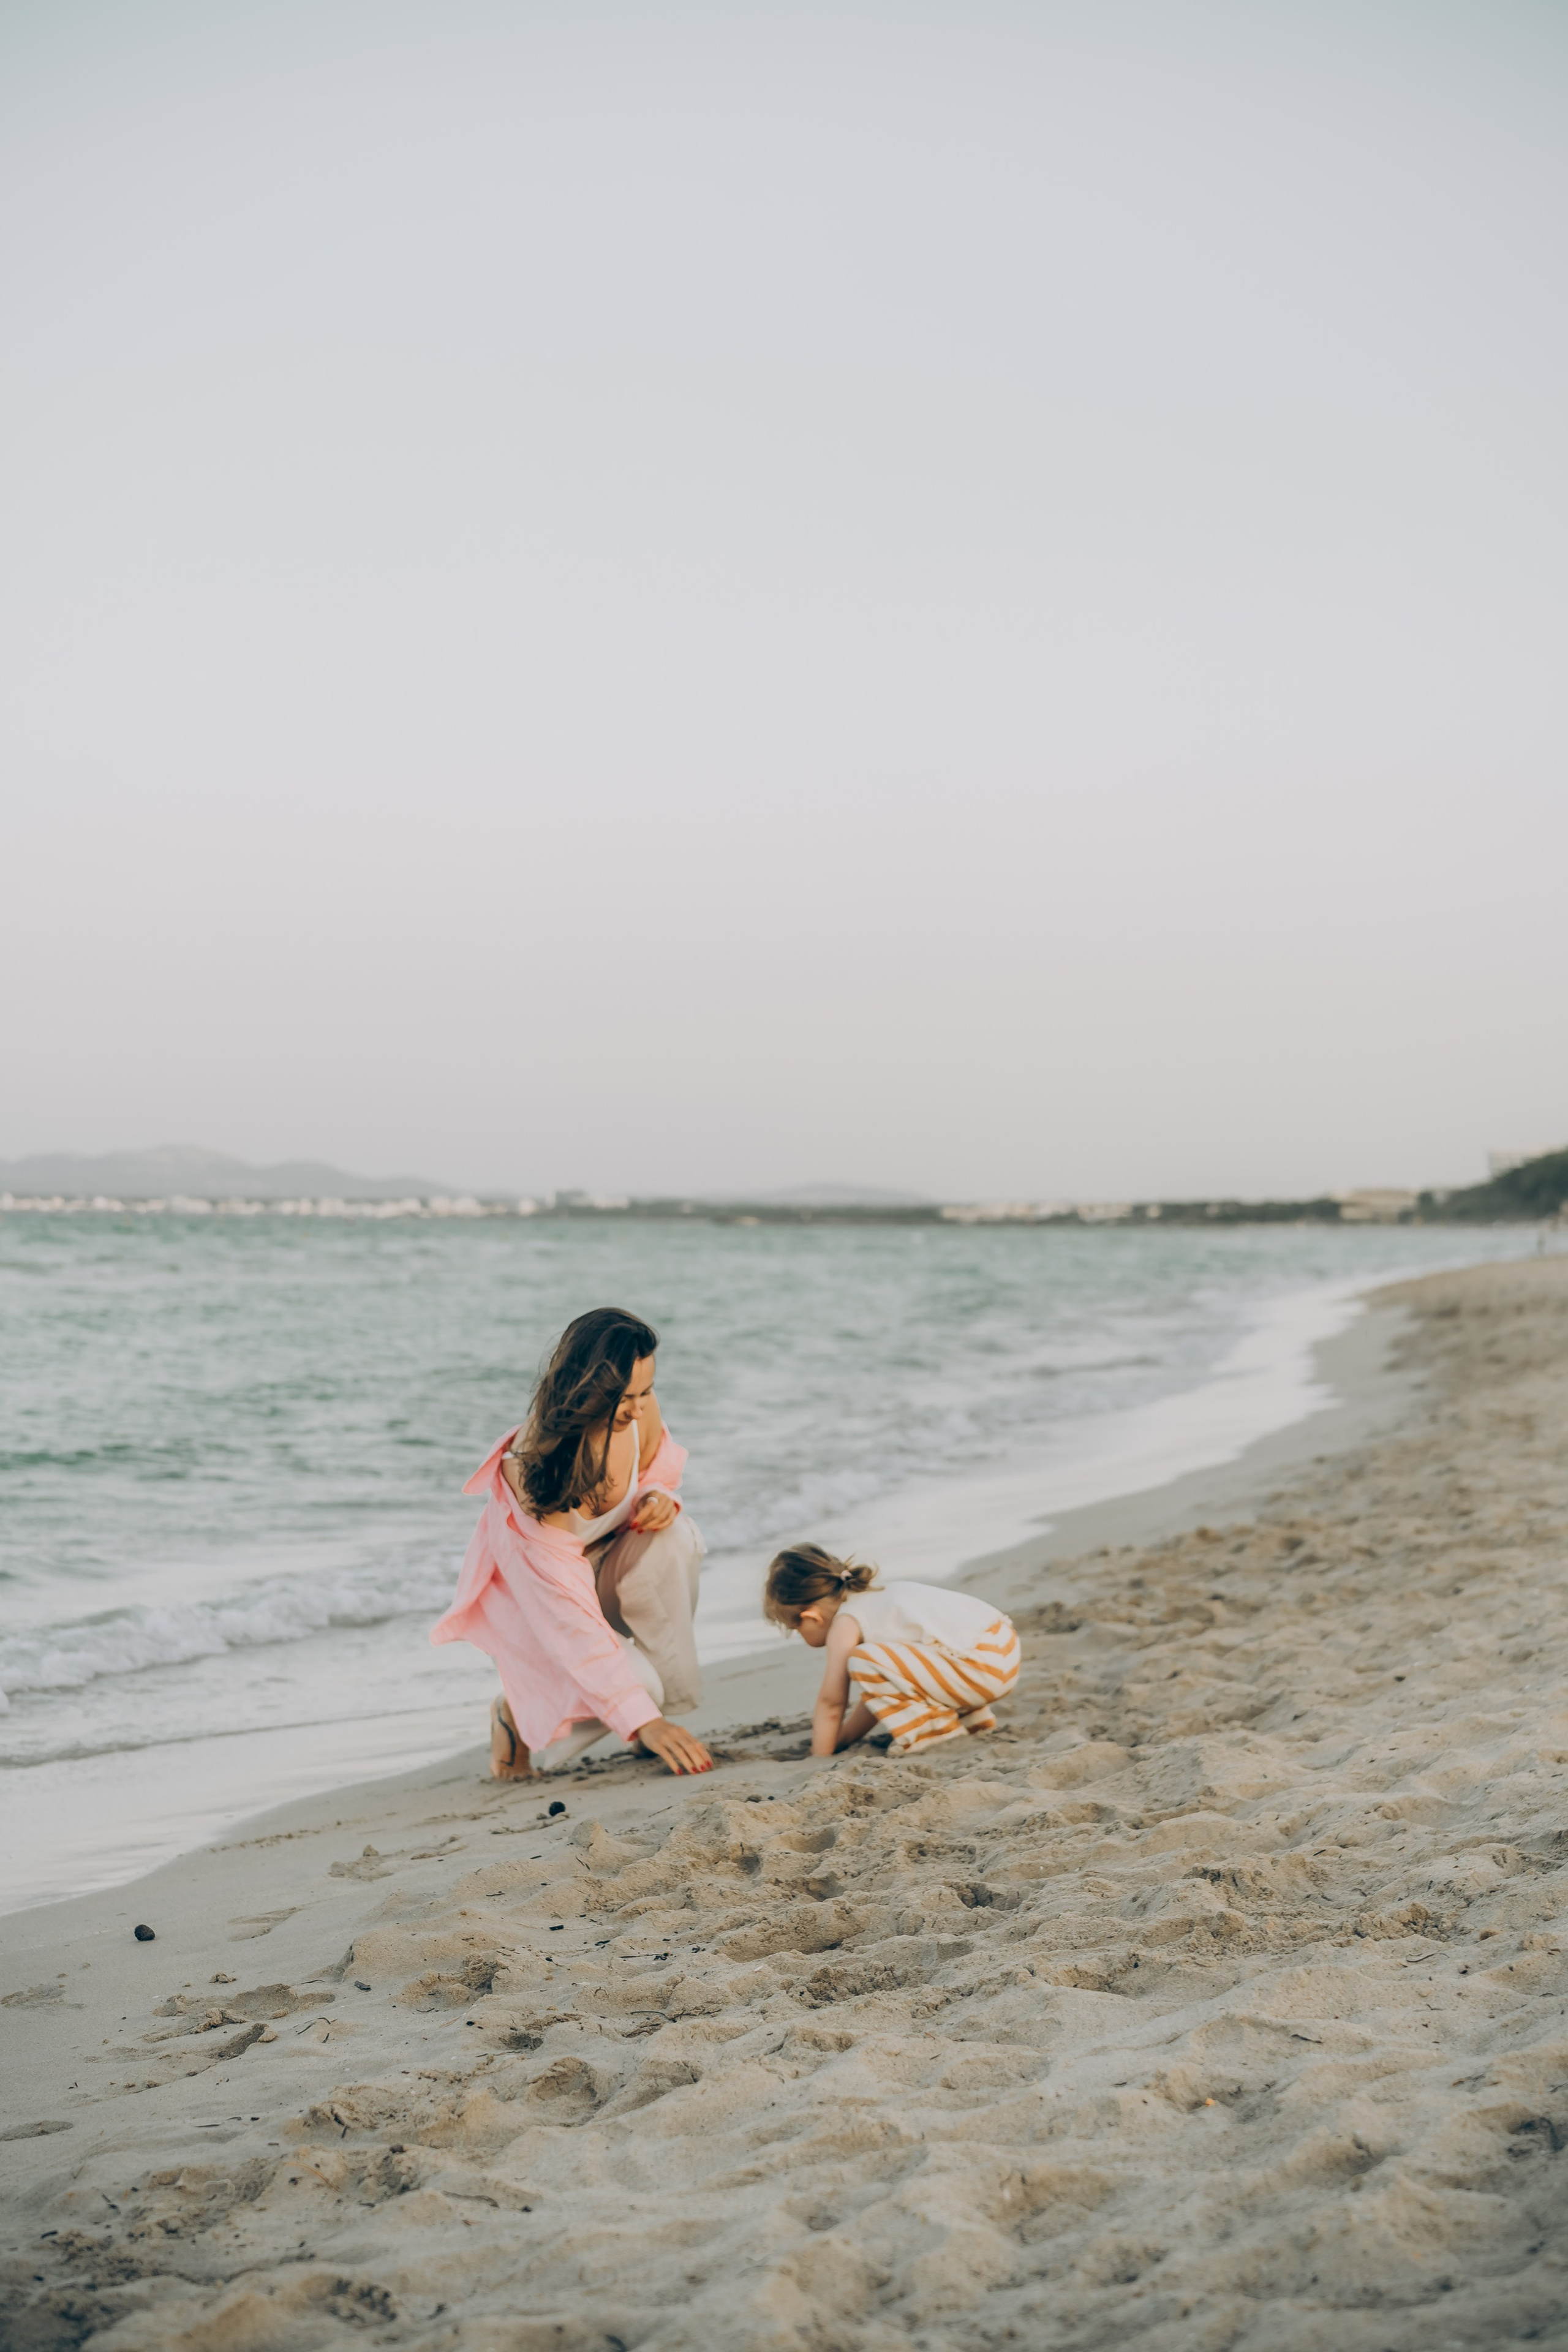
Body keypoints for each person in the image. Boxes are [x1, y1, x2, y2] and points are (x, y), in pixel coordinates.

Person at [431, 1308, 711, 1777]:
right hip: (542, 1607)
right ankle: (515, 1715)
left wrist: (658, 1495)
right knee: (638, 1691)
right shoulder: (535, 1475)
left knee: (677, 1536)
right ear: (588, 1391)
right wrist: (642, 1717)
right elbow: (570, 1625)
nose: (640, 1408)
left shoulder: (638, 1410)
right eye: (626, 1397)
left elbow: (659, 1466)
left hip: (605, 1568)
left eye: (647, 1391)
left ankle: (655, 1712)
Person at [763, 1543, 1020, 1758]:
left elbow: (832, 1702)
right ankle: (972, 1721)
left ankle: (936, 1735)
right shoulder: (878, 1597)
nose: (799, 1635)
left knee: (862, 1660)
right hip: (1000, 1650)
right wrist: (843, 1739)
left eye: (795, 1628)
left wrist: (819, 1757)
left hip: (981, 1666)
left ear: (811, 1617)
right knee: (884, 1663)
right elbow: (883, 1689)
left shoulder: (846, 1622)